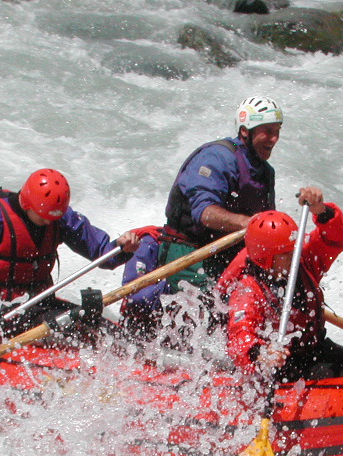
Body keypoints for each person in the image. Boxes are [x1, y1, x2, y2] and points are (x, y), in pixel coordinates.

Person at [119, 96, 282, 339]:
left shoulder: (265, 172)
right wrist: (247, 224)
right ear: (246, 131)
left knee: (269, 301)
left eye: (277, 132)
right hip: (187, 253)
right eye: (267, 131)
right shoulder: (217, 158)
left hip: (227, 258)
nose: (274, 139)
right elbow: (204, 213)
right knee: (215, 309)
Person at [0, 168, 139, 349]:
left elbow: (103, 254)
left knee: (99, 326)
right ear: (28, 203)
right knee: (77, 332)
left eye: (53, 217)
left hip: (35, 305)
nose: (49, 223)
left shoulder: (57, 216)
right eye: (44, 217)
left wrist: (122, 248)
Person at [217, 187, 343, 384]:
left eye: (293, 249)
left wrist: (322, 211)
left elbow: (336, 238)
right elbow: (240, 335)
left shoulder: (303, 261)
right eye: (285, 254)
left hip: (317, 351)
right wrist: (262, 354)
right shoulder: (248, 290)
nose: (294, 257)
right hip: (282, 369)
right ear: (266, 258)